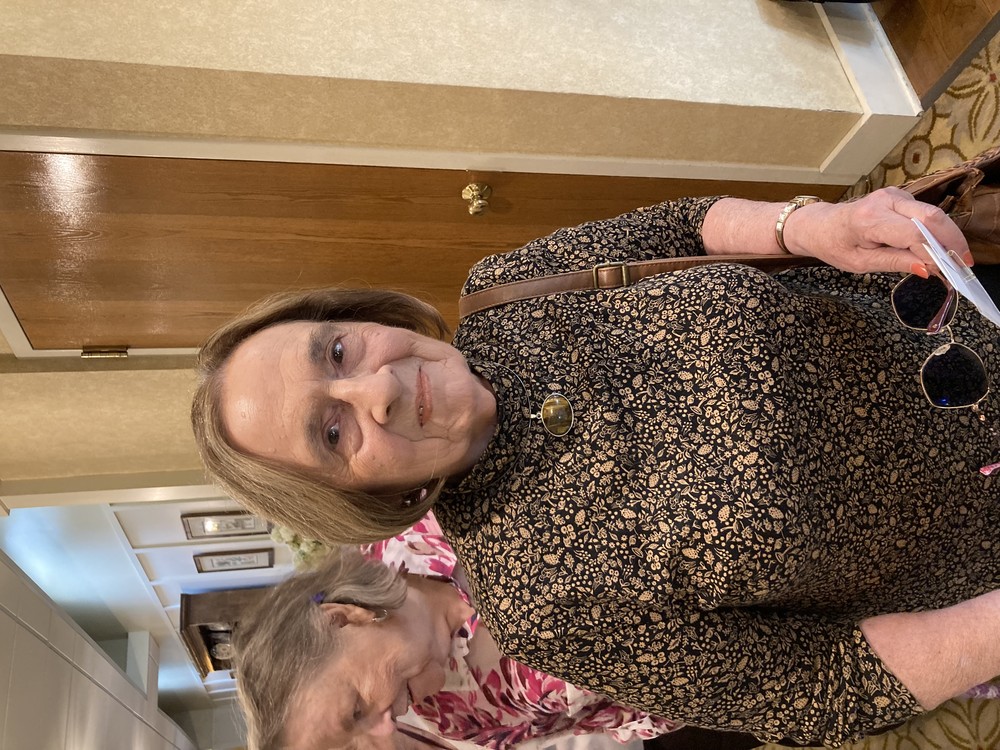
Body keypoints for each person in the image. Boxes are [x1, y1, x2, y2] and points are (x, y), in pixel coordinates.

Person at [192, 186, 1000, 747]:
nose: (377, 390)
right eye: (333, 433)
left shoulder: (506, 290)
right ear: (351, 496)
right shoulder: (540, 608)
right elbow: (821, 683)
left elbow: (685, 228)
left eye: (338, 352)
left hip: (966, 305)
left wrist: (810, 224)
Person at [233, 512, 682, 750]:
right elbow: (621, 717)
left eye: (355, 710)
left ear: (341, 617)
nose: (386, 732)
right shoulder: (457, 719)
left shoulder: (404, 509)